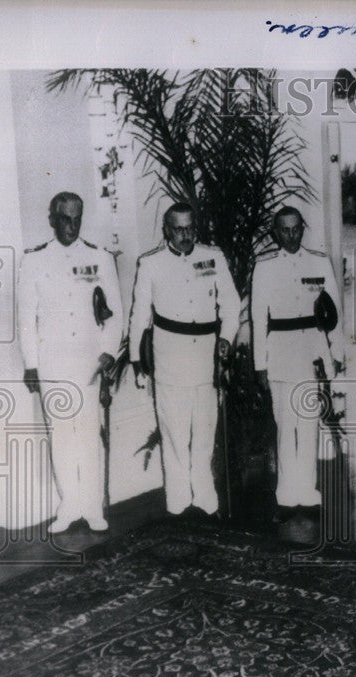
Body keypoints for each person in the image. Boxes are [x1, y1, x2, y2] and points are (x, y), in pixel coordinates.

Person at [18, 191, 123, 534]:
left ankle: (92, 507)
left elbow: (115, 312)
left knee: (89, 434)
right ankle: (70, 506)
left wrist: (109, 350)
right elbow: (26, 318)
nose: (72, 225)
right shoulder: (35, 260)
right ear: (53, 218)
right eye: (65, 218)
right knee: (62, 435)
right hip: (53, 363)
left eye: (77, 218)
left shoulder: (100, 258)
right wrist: (32, 365)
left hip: (89, 361)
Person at [128, 202, 240, 518]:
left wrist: (227, 340)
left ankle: (206, 499)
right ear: (167, 230)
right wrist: (137, 359)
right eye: (179, 228)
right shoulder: (151, 264)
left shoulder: (213, 257)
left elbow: (231, 307)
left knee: (205, 435)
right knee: (175, 435)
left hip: (206, 357)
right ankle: (177, 504)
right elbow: (139, 315)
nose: (186, 234)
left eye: (190, 227)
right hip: (170, 358)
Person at [250, 206, 344, 517]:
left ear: (302, 228)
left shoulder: (319, 262)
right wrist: (259, 365)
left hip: (312, 352)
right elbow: (257, 318)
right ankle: (286, 495)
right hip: (280, 353)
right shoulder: (264, 267)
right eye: (284, 230)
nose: (291, 235)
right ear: (275, 231)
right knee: (285, 425)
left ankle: (308, 492)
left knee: (309, 425)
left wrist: (337, 353)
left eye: (296, 229)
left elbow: (333, 314)